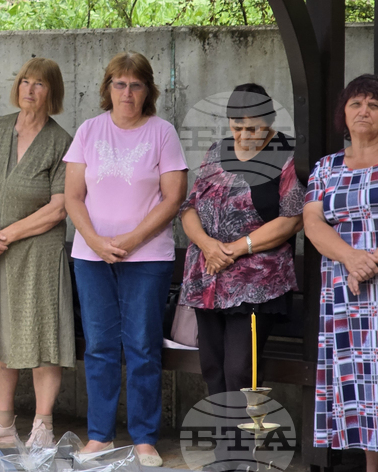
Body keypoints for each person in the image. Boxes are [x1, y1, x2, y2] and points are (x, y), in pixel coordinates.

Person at [63, 51, 187, 468]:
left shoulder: (162, 133)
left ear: (148, 90)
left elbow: (174, 197)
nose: (127, 92)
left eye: (136, 84)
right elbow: (72, 196)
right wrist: (96, 241)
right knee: (99, 346)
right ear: (108, 88)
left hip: (147, 258)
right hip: (91, 256)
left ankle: (145, 438)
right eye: (120, 83)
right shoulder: (88, 130)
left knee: (142, 346)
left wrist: (130, 240)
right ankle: (99, 435)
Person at [0, 58, 75, 450]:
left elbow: (60, 207)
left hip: (37, 254)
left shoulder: (62, 141)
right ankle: (4, 423)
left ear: (52, 92)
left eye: (39, 84)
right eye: (25, 82)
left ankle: (42, 427)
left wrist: (6, 233)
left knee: (44, 337)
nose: (29, 90)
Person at [180, 84, 304, 392]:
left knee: (239, 369)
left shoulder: (286, 155)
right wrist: (208, 245)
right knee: (211, 366)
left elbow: (292, 219)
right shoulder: (216, 151)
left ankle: (244, 440)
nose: (244, 135)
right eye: (237, 127)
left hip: (256, 284)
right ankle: (225, 439)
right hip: (208, 276)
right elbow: (189, 206)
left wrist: (235, 249)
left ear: (270, 121)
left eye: (253, 127)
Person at [304, 74, 378, 472]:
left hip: (372, 283)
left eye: (374, 105)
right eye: (356, 104)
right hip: (345, 295)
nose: (364, 111)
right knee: (362, 391)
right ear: (343, 114)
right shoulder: (326, 167)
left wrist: (369, 262)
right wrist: (350, 259)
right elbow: (313, 222)